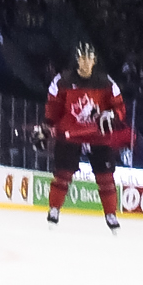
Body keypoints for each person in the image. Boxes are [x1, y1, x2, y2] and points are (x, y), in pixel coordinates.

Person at [44, 40, 130, 230]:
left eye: (88, 58)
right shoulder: (63, 80)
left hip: (98, 136)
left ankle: (110, 215)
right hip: (70, 135)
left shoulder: (106, 82)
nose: (85, 62)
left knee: (106, 177)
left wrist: (113, 114)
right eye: (82, 58)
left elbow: (120, 107)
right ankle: (54, 210)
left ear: (94, 60)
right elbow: (53, 107)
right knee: (62, 174)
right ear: (77, 59)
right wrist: (48, 126)